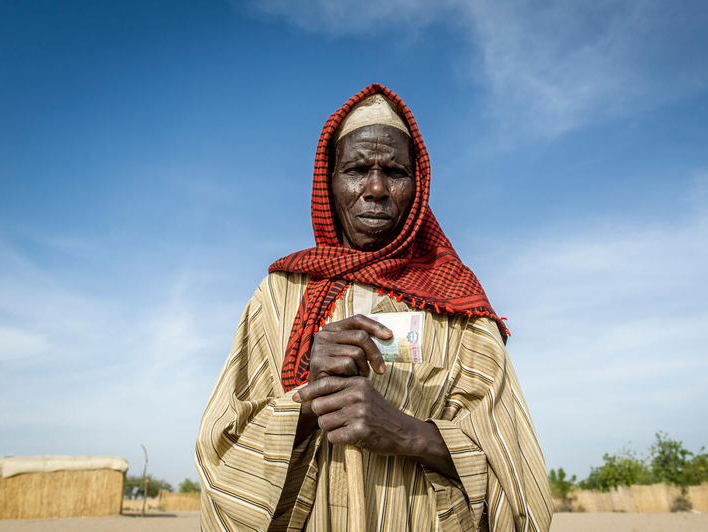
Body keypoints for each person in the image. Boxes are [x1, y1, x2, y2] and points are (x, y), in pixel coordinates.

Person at [196, 84, 552, 532]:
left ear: (417, 187)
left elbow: (518, 481)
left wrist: (409, 434)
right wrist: (309, 403)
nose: (377, 188)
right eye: (358, 169)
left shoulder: (460, 308)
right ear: (329, 182)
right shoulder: (279, 296)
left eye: (395, 172)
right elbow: (220, 454)